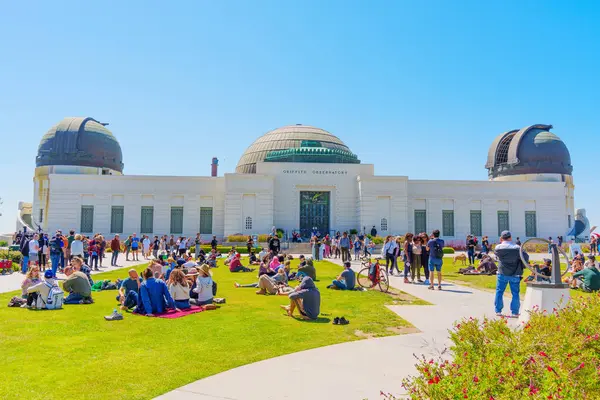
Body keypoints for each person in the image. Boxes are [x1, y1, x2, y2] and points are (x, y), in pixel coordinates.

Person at [494, 231, 528, 318]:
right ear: (510, 237)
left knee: (499, 291)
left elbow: (496, 257)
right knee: (515, 293)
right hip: (515, 273)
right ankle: (514, 312)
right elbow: (525, 257)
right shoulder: (517, 248)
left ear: (501, 238)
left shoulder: (498, 248)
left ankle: (498, 311)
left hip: (502, 272)